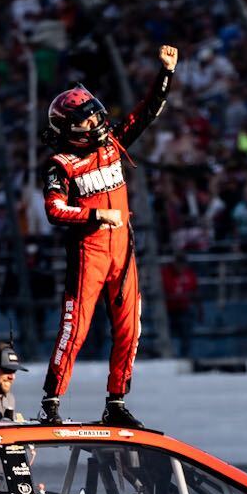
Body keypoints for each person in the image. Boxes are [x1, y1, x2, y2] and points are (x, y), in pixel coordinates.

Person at [38, 44, 179, 426]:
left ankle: (115, 402)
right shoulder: (59, 165)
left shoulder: (114, 143)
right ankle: (50, 403)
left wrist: (165, 73)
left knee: (130, 328)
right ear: (69, 127)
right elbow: (54, 211)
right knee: (75, 329)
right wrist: (96, 214)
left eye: (96, 114)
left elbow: (147, 113)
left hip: (124, 250)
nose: (96, 123)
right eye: (86, 120)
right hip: (89, 253)